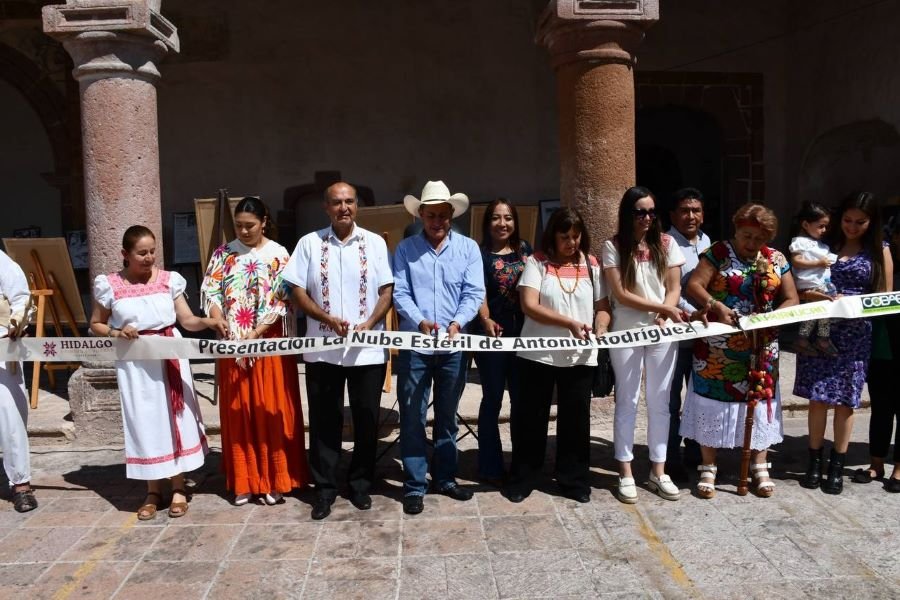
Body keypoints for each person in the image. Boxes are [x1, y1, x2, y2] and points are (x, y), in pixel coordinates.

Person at [91, 226, 227, 519]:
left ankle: (178, 486)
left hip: (169, 356)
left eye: (152, 251)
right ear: (125, 254)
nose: (149, 257)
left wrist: (208, 322)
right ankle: (153, 488)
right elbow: (96, 324)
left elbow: (186, 320)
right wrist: (116, 330)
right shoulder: (110, 284)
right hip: (136, 362)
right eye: (142, 253)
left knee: (174, 418)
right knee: (146, 420)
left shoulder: (169, 281)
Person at [282, 182, 394, 520]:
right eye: (336, 203)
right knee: (324, 420)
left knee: (366, 418)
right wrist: (325, 318)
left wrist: (372, 321)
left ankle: (360, 484)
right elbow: (297, 290)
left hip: (366, 350)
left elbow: (386, 291)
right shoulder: (309, 244)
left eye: (349, 202)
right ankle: (325, 489)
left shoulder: (374, 243)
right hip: (322, 348)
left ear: (356, 205)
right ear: (326, 208)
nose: (343, 208)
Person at [681, 203, 799, 499]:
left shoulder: (776, 258)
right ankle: (708, 465)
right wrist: (716, 306)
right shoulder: (718, 253)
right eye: (746, 236)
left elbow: (791, 298)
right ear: (736, 230)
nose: (751, 244)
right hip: (718, 350)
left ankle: (760, 463)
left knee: (759, 400)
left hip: (761, 346)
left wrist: (773, 318)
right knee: (712, 399)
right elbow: (694, 286)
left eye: (759, 239)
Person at [201, 197, 309, 507]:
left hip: (268, 341)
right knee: (239, 410)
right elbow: (211, 289)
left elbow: (283, 297)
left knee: (269, 406)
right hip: (234, 341)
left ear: (264, 222)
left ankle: (275, 479)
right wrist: (217, 315)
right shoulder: (224, 254)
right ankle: (245, 479)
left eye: (250, 225)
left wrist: (258, 331)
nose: (245, 231)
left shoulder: (278, 254)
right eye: (239, 226)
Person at [504, 207, 611, 504]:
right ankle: (524, 478)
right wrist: (570, 323)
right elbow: (529, 305)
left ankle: (574, 480)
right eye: (565, 236)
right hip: (538, 355)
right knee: (531, 418)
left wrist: (601, 326)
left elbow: (602, 306)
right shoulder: (537, 263)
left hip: (579, 356)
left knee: (576, 421)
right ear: (553, 235)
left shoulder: (591, 265)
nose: (571, 243)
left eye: (576, 236)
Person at [392, 180, 485, 515]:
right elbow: (400, 292)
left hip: (453, 347)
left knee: (447, 416)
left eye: (443, 215)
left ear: (451, 215)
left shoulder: (469, 249)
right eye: (431, 215)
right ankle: (414, 485)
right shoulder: (405, 251)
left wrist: (457, 322)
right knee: (413, 416)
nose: (437, 221)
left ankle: (445, 478)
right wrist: (420, 322)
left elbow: (474, 293)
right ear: (420, 215)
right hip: (415, 345)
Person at [794, 192, 892, 494]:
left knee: (846, 401)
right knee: (818, 397)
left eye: (859, 222)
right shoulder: (825, 244)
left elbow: (884, 299)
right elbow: (801, 281)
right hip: (820, 326)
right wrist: (820, 298)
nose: (851, 226)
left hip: (855, 332)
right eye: (847, 220)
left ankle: (837, 463)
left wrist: (853, 303)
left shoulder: (880, 251)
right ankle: (814, 461)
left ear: (871, 222)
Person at [603, 186, 686, 504]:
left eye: (652, 211)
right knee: (627, 399)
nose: (647, 218)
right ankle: (625, 471)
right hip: (626, 332)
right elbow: (621, 294)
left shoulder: (667, 243)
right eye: (640, 212)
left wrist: (665, 313)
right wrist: (664, 309)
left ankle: (658, 469)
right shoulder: (613, 246)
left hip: (662, 333)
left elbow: (674, 286)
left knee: (661, 401)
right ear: (628, 214)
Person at [472, 198, 532, 487]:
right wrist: (485, 320)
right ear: (487, 223)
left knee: (522, 401)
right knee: (492, 399)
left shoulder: (526, 251)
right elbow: (478, 292)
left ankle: (522, 465)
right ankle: (490, 466)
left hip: (524, 337)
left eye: (508, 217)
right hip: (493, 336)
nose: (502, 223)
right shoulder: (480, 255)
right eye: (496, 218)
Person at [666, 187, 711, 479]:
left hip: (705, 337)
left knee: (701, 396)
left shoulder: (709, 243)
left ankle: (697, 452)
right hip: (676, 334)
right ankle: (670, 458)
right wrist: (689, 312)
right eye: (684, 210)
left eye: (695, 210)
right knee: (670, 400)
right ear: (673, 215)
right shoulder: (664, 243)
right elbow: (668, 289)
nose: (690, 216)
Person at [856, 217, 900, 492]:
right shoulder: (883, 260)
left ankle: (899, 469)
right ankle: (876, 463)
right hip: (882, 346)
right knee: (881, 407)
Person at [0, 249, 37, 512]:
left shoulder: (1, 262)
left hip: (1, 344)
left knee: (10, 414)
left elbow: (21, 298)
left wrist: (16, 323)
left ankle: (20, 485)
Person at [789, 202, 839, 357]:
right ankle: (821, 339)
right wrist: (818, 263)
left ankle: (804, 339)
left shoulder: (821, 245)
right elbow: (796, 261)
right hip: (811, 285)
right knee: (823, 311)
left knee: (816, 313)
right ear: (805, 224)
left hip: (822, 285)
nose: (824, 230)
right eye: (820, 226)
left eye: (826, 227)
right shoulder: (800, 242)